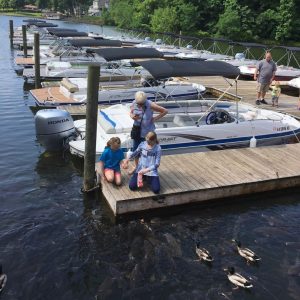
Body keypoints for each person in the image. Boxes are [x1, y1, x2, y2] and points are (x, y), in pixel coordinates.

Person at [129, 91, 167, 173]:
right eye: (138, 103)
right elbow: (131, 111)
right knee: (136, 150)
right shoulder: (134, 103)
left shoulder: (150, 104)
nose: (140, 105)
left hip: (147, 132)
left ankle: (147, 168)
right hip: (137, 130)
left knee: (148, 151)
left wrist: (155, 119)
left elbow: (165, 111)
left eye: (142, 104)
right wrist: (132, 116)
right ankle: (136, 167)